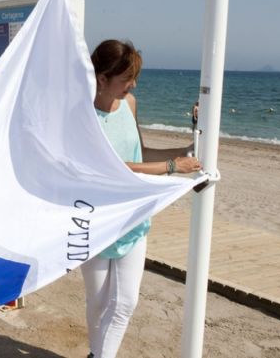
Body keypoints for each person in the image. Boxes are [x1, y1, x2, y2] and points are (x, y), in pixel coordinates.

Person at [81, 40, 201, 358]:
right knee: (97, 304)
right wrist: (172, 168)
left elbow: (140, 153)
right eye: (126, 79)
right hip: (96, 223)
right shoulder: (81, 114)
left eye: (135, 78)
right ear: (103, 78)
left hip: (133, 218)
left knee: (124, 304)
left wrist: (192, 144)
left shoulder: (130, 103)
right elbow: (107, 167)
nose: (132, 85)